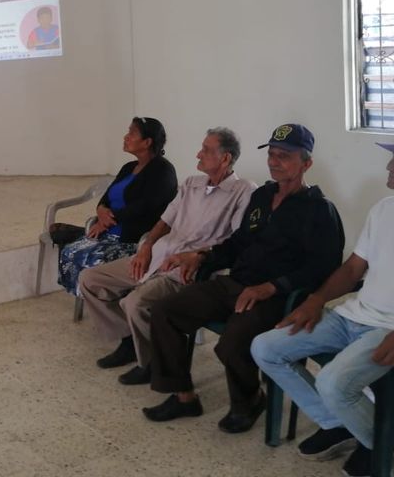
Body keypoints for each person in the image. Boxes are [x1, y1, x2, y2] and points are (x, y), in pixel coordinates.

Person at [251, 133, 394, 477]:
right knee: (266, 348)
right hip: (354, 315)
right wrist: (316, 300)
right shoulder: (384, 209)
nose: (389, 166)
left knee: (333, 382)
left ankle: (385, 440)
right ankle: (346, 425)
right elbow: (352, 269)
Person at [142, 124, 344, 435]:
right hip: (236, 283)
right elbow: (238, 242)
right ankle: (183, 396)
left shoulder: (319, 210)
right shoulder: (263, 196)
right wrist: (203, 256)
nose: (274, 162)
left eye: (284, 156)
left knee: (232, 343)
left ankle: (249, 401)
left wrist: (272, 287)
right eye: (271, 154)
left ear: (306, 163)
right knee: (165, 310)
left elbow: (324, 267)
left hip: (276, 296)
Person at [79, 127, 256, 386]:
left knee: (135, 303)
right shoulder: (192, 184)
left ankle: (152, 364)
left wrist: (196, 255)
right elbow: (165, 220)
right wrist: (147, 246)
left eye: (206, 150)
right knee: (90, 279)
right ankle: (131, 340)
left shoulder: (243, 191)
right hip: (157, 256)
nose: (198, 154)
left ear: (225, 158)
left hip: (188, 269)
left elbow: (238, 241)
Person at [57, 117, 177, 295]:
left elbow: (146, 206)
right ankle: (88, 300)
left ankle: (98, 300)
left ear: (147, 142)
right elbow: (107, 197)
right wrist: (101, 210)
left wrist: (109, 219)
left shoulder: (163, 170)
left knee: (88, 258)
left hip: (132, 239)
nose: (125, 137)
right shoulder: (129, 167)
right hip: (108, 231)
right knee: (69, 252)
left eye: (132, 133)